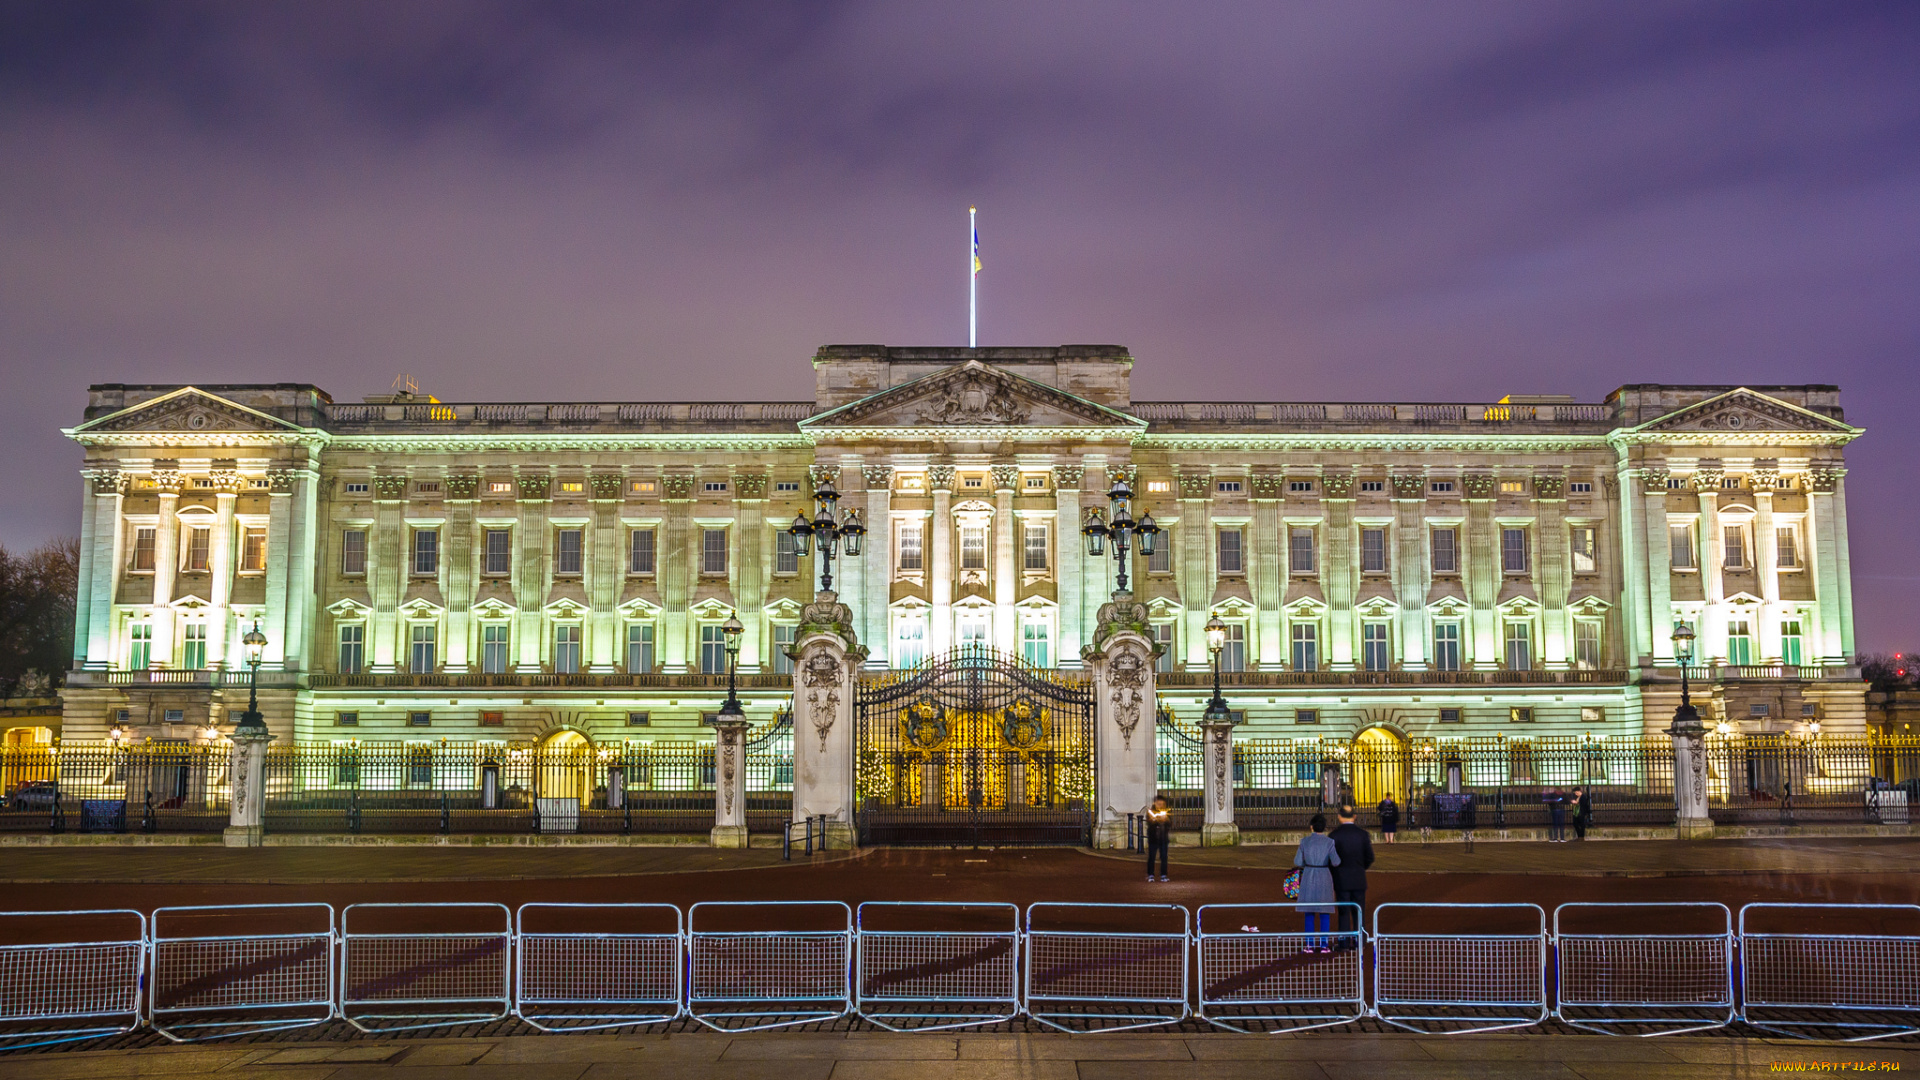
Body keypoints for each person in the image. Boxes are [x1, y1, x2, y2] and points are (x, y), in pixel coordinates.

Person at [1328, 804, 1375, 951]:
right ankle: (1359, 941)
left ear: (1339, 816)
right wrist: (1361, 868)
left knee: (1343, 912)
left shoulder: (1334, 836)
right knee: (1359, 912)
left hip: (1341, 879)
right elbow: (1370, 857)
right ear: (1354, 816)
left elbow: (1331, 860)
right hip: (1358, 878)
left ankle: (1343, 943)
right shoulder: (1362, 834)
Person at [1292, 813, 1341, 952]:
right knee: (1324, 912)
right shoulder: (1329, 842)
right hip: (1324, 876)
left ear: (1311, 827)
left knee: (1309, 912)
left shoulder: (1304, 842)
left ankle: (1309, 944)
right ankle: (1324, 944)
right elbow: (1336, 861)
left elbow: (1297, 862)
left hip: (1308, 875)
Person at [1143, 795, 1171, 882]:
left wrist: (1165, 820)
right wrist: (1155, 820)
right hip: (1153, 838)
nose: (1160, 806)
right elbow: (1149, 823)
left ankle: (1163, 874)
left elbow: (1169, 824)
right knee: (1152, 857)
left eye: (1162, 804)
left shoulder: (1166, 812)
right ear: (1155, 803)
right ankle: (1150, 874)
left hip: (1163, 838)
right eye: (1158, 804)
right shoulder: (1151, 812)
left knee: (1164, 857)